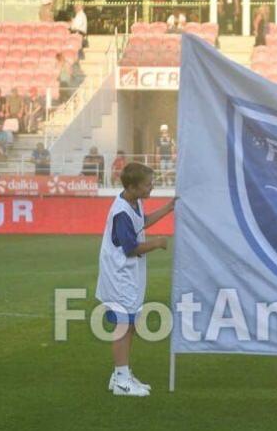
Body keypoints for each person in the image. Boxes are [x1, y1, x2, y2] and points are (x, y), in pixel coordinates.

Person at [95, 162, 176, 397]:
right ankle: (121, 380)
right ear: (132, 186)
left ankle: (120, 374)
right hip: (119, 274)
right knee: (124, 324)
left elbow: (142, 222)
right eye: (148, 185)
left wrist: (169, 208)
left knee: (129, 323)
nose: (152, 188)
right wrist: (158, 243)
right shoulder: (121, 211)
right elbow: (130, 248)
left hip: (128, 273)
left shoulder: (134, 202)